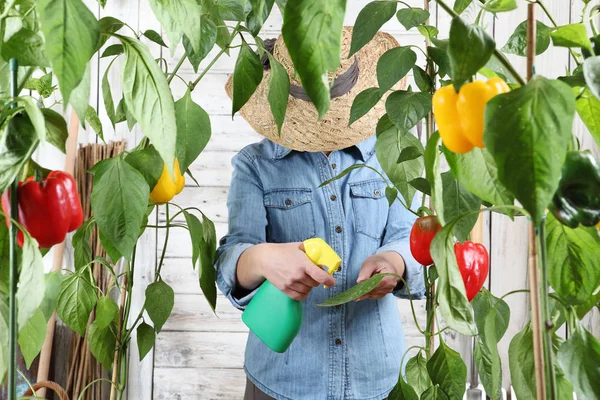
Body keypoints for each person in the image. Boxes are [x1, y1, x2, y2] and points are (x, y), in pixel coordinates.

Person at [215, 27, 426, 400]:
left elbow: (414, 241)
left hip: (376, 378)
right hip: (283, 380)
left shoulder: (390, 154)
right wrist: (263, 259)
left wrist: (394, 262)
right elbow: (231, 257)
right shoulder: (255, 165)